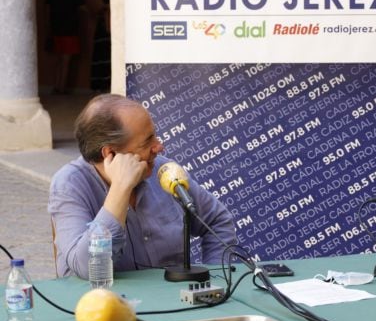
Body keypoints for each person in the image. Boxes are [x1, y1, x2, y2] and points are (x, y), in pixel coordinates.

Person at [48, 94, 237, 279]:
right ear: (110, 154)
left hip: (170, 300)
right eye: (147, 141)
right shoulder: (69, 184)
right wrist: (120, 188)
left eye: (155, 136)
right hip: (105, 304)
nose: (159, 147)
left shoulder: (163, 171)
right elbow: (87, 269)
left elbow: (216, 221)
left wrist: (216, 277)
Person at [45, 0, 86, 94]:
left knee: (58, 60)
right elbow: (84, 8)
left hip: (55, 30)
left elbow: (46, 11)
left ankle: (56, 86)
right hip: (70, 30)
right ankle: (61, 88)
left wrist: (47, 28)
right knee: (66, 61)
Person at [90, 0, 111, 92]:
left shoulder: (100, 11)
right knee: (106, 62)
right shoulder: (108, 11)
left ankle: (97, 86)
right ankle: (105, 86)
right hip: (105, 39)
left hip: (98, 39)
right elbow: (108, 28)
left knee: (98, 62)